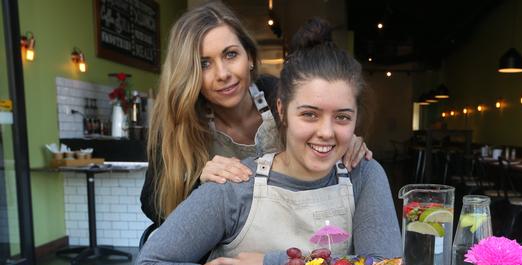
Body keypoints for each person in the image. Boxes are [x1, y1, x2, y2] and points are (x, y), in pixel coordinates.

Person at [133, 18, 401, 265]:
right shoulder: (226, 179)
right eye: (309, 114)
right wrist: (201, 189)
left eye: (342, 116)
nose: (326, 131)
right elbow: (151, 258)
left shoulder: (362, 172)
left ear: (249, 57)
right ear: (282, 110)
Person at [141, 1, 371, 225]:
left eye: (230, 55)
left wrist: (343, 143)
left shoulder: (279, 94)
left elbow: (323, 130)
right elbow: (153, 205)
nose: (223, 74)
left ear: (249, 57)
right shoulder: (179, 121)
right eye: (204, 64)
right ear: (189, 72)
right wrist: (200, 189)